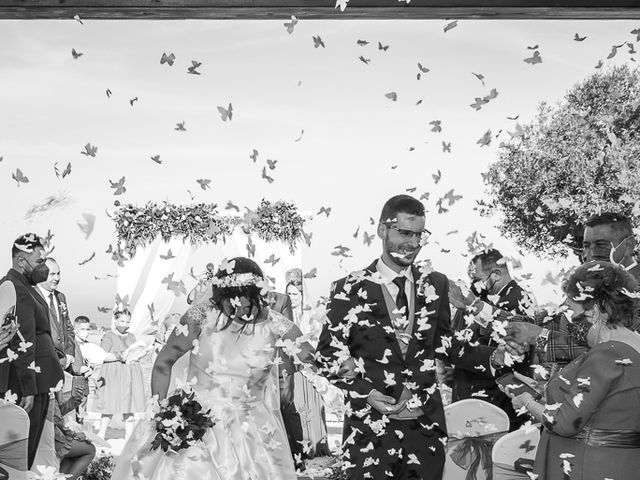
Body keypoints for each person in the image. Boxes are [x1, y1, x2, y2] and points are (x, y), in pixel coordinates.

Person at [316, 194, 499, 480]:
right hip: (370, 432)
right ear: (382, 230)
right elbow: (328, 355)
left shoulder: (435, 283)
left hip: (426, 430)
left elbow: (443, 344)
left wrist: (495, 357)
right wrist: (368, 393)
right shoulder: (348, 288)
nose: (413, 244)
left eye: (419, 235)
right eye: (404, 233)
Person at [111, 257, 317, 480]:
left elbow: (317, 361)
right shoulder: (200, 317)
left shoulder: (276, 324)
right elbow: (163, 362)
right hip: (196, 423)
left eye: (246, 297)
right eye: (232, 298)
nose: (239, 305)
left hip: (254, 430)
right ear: (220, 294)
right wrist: (162, 413)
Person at [504, 261, 640, 480]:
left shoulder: (607, 354)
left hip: (586, 466)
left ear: (597, 310)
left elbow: (565, 423)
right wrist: (544, 390)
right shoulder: (634, 345)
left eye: (575, 318)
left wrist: (527, 401)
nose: (572, 327)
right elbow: (608, 405)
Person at [505, 212, 640, 369]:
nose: (589, 254)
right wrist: (481, 311)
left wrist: (540, 338)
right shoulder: (587, 283)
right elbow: (550, 322)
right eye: (586, 246)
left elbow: (620, 349)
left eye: (601, 245)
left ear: (628, 246)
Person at [448, 249, 535, 430]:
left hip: (496, 402)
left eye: (477, 280)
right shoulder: (478, 300)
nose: (473, 287)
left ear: (496, 274)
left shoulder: (519, 300)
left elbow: (515, 353)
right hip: (469, 396)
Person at [0, 234, 64, 468]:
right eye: (39, 262)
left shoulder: (27, 286)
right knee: (20, 454)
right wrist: (28, 388)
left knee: (29, 450)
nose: (44, 267)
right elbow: (22, 341)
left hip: (40, 381)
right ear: (20, 261)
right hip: (28, 384)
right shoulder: (16, 287)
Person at [286, 270, 330, 458]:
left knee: (310, 406)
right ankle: (296, 447)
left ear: (302, 295)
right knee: (292, 407)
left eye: (295, 294)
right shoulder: (284, 316)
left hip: (308, 368)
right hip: (290, 368)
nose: (291, 297)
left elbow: (317, 343)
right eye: (288, 293)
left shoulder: (312, 316)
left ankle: (314, 445)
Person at [96, 308, 146, 440]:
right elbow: (102, 356)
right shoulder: (109, 335)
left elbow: (134, 351)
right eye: (122, 321)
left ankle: (129, 436)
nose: (125, 324)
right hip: (113, 373)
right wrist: (119, 356)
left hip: (129, 374)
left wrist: (139, 354)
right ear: (116, 320)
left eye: (128, 322)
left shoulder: (131, 336)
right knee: (109, 404)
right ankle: (101, 433)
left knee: (129, 405)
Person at [36, 258, 77, 371]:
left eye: (58, 273)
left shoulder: (61, 297)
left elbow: (68, 328)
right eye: (52, 274)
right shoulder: (30, 296)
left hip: (64, 364)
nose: (57, 278)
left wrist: (69, 353)